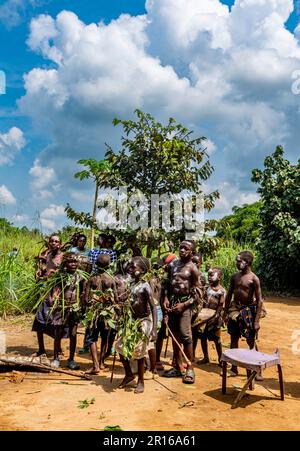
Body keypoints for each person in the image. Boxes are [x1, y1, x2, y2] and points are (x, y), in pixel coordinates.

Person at [116, 256, 157, 394]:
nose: (130, 269)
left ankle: (141, 381)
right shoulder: (132, 283)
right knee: (120, 346)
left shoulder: (145, 286)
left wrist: (154, 330)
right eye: (130, 266)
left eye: (134, 267)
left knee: (140, 352)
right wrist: (122, 299)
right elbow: (128, 298)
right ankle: (129, 374)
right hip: (131, 321)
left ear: (143, 270)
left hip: (143, 321)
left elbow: (153, 308)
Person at [162, 240, 201, 384]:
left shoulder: (193, 269)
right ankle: (178, 367)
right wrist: (166, 298)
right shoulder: (172, 265)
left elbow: (198, 293)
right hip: (172, 303)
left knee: (186, 335)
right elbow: (166, 284)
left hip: (185, 305)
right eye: (181, 247)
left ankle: (190, 369)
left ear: (192, 252)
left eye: (186, 248)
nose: (182, 250)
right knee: (174, 335)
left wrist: (184, 305)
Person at [223, 251, 264, 376]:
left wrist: (256, 321)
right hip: (235, 310)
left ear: (247, 262)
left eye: (239, 261)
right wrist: (225, 312)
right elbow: (229, 294)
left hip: (248, 312)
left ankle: (257, 370)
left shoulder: (253, 279)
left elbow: (259, 300)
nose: (237, 263)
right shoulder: (234, 277)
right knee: (233, 338)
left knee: (250, 341)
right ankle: (234, 368)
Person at [83, 254, 118, 374]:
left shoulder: (92, 279)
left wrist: (91, 303)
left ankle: (95, 365)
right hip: (107, 314)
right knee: (104, 338)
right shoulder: (111, 279)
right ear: (109, 265)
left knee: (91, 338)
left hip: (94, 313)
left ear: (96, 265)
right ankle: (102, 362)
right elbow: (116, 299)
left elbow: (86, 299)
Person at [50, 252, 85, 369]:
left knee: (73, 334)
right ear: (65, 263)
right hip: (61, 308)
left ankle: (71, 360)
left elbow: (83, 292)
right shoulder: (60, 276)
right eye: (70, 262)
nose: (73, 264)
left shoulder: (80, 277)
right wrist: (54, 298)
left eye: (75, 261)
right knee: (58, 333)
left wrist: (82, 305)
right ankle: (56, 358)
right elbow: (55, 290)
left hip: (74, 309)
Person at [32, 234, 64, 357]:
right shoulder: (49, 255)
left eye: (56, 241)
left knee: (57, 323)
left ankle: (58, 348)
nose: (54, 243)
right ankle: (41, 349)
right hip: (46, 291)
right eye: (52, 241)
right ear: (49, 243)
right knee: (39, 320)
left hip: (58, 293)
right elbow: (47, 270)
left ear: (60, 244)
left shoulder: (63, 257)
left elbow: (66, 273)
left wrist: (54, 274)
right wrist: (42, 273)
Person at [197, 267, 225, 366]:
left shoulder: (221, 291)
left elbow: (220, 306)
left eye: (212, 275)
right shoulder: (206, 288)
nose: (209, 277)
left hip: (215, 318)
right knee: (203, 337)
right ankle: (206, 357)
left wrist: (216, 317)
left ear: (219, 277)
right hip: (204, 317)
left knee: (217, 339)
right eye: (208, 275)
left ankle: (221, 359)